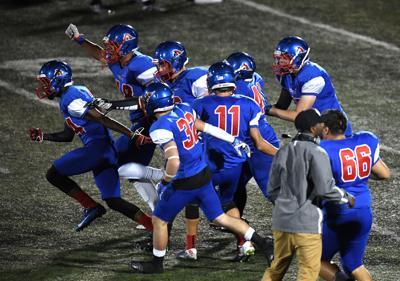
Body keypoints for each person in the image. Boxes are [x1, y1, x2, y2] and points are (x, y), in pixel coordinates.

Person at [130, 82, 273, 274]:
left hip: (184, 182)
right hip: (204, 174)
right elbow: (206, 127)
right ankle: (263, 242)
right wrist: (233, 139)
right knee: (220, 217)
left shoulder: (159, 127)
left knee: (159, 220)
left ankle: (157, 264)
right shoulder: (184, 109)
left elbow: (174, 161)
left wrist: (165, 182)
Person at [29, 60, 153, 233]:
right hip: (107, 151)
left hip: (97, 150)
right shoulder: (75, 92)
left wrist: (132, 135)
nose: (44, 87)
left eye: (46, 82)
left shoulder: (70, 99)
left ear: (58, 79)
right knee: (113, 200)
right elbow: (67, 135)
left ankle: (91, 206)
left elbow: (101, 118)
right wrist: (44, 136)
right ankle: (153, 227)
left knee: (53, 175)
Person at [65, 23, 160, 211]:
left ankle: (164, 180)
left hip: (152, 121)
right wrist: (79, 39)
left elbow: (153, 99)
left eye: (112, 46)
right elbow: (100, 54)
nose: (108, 50)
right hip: (139, 121)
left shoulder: (142, 65)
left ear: (125, 47)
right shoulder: (118, 60)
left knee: (122, 164)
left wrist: (114, 104)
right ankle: (159, 209)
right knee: (129, 168)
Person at [192, 61, 278, 261]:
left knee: (193, 200)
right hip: (234, 165)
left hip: (210, 163)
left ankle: (189, 247)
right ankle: (244, 243)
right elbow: (257, 141)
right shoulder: (249, 104)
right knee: (228, 202)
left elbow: (190, 130)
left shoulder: (201, 104)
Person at [263, 109, 355, 281]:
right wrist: (346, 197)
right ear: (314, 128)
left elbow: (272, 190)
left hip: (281, 222)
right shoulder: (317, 152)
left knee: (275, 271)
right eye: (321, 123)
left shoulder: (283, 150)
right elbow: (325, 189)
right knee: (308, 272)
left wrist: (286, 206)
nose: (324, 125)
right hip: (307, 224)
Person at [319, 110, 390, 281]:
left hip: (339, 212)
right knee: (354, 264)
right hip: (364, 210)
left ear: (326, 129)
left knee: (314, 259)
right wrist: (362, 172)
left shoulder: (322, 148)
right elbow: (384, 173)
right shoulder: (365, 140)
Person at [226, 51, 280, 218]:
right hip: (247, 137)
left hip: (258, 140)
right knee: (233, 184)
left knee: (274, 192)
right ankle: (236, 223)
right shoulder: (255, 77)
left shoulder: (239, 90)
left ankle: (300, 227)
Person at [268, 36, 352, 137]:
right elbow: (281, 106)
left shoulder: (313, 76)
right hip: (314, 129)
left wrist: (268, 110)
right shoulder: (286, 74)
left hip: (334, 131)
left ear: (298, 58)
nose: (280, 62)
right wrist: (260, 106)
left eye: (285, 58)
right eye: (279, 58)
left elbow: (298, 115)